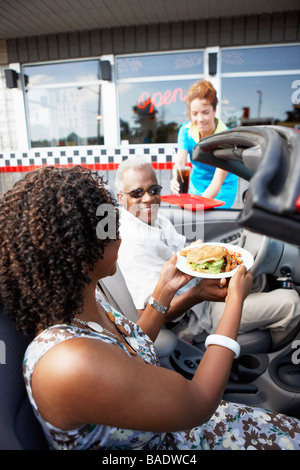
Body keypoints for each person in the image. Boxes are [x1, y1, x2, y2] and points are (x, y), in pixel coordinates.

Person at [1, 165, 299, 451]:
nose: (119, 233)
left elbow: (128, 348)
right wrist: (236, 300)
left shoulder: (83, 298)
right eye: (108, 227)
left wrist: (171, 289)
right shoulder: (68, 362)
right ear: (75, 251)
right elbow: (199, 403)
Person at [116, 157, 300, 349]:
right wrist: (198, 294)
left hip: (199, 290)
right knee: (292, 303)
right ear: (121, 198)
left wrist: (199, 251)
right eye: (137, 193)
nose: (148, 198)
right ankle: (271, 360)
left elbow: (180, 253)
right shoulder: (133, 244)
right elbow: (146, 316)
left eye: (153, 190)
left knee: (257, 280)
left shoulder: (155, 219)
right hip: (192, 317)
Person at [170, 80, 238, 208]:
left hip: (221, 189)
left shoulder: (226, 137)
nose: (200, 119)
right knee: (195, 224)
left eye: (205, 112)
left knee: (209, 223)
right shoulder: (185, 130)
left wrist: (196, 206)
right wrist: (175, 178)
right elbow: (180, 161)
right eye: (195, 114)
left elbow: (217, 182)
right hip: (196, 186)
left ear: (214, 110)